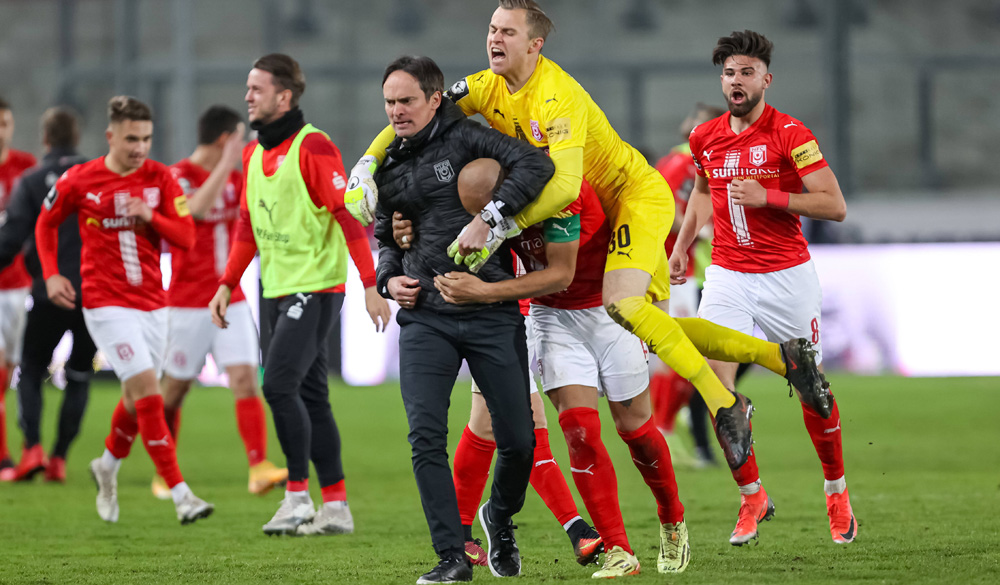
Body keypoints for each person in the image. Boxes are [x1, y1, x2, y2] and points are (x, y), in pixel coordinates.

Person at [346, 0, 830, 473]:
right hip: (584, 213)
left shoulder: (557, 96)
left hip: (630, 198)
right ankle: (780, 356)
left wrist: (494, 220)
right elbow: (421, 111)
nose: (494, 38)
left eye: (508, 32)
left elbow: (563, 185)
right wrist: (368, 164)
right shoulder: (482, 86)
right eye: (492, 29)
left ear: (535, 45)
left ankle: (724, 403)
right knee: (642, 322)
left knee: (625, 307)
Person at [420, 161, 692, 576]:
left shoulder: (564, 193)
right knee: (575, 429)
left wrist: (650, 298)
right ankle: (617, 548)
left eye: (486, 210)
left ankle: (672, 518)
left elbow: (561, 274)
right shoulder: (484, 201)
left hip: (607, 307)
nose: (482, 219)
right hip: (546, 317)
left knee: (637, 431)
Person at [373, 55, 554, 583]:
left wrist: (490, 217)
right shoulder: (390, 165)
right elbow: (386, 237)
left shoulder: (471, 138)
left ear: (435, 99)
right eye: (389, 102)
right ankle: (452, 556)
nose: (396, 112)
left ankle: (498, 515)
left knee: (519, 442)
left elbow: (538, 166)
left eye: (406, 100)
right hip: (424, 316)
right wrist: (390, 280)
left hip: (491, 310)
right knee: (425, 436)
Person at [670, 30, 855, 546]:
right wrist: (683, 246)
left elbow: (834, 206)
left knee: (813, 391)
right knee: (715, 388)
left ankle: (836, 491)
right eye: (729, 73)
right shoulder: (706, 136)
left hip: (786, 278)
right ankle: (752, 497)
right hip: (728, 276)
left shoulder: (791, 134)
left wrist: (770, 197)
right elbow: (704, 190)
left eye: (746, 72)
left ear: (765, 79)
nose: (736, 81)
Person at [208, 53, 390, 536]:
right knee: (311, 396)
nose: (247, 96)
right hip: (275, 288)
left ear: (284, 97)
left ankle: (296, 497)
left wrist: (370, 285)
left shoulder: (314, 148)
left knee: (278, 385)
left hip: (317, 286)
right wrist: (227, 283)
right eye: (248, 88)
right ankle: (336, 507)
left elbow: (349, 217)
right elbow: (248, 226)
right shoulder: (252, 155)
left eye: (257, 88)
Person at [397, 161, 603, 569]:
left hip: (528, 305)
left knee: (487, 424)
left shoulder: (548, 189)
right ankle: (573, 526)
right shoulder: (463, 186)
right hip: (495, 312)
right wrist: (400, 235)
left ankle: (475, 524)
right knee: (520, 422)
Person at [35, 95, 213, 524]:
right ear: (110, 136)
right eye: (132, 139)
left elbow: (187, 237)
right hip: (105, 303)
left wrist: (150, 215)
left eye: (147, 138)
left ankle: (107, 467)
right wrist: (51, 273)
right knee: (149, 393)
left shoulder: (161, 179)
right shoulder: (80, 179)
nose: (140, 148)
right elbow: (46, 223)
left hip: (153, 303)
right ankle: (181, 494)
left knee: (136, 398)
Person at [150, 105, 287, 500]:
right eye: (239, 139)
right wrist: (227, 164)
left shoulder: (237, 177)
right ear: (226, 140)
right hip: (186, 302)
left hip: (232, 298)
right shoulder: (176, 177)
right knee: (174, 391)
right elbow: (194, 212)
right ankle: (166, 473)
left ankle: (259, 467)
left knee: (246, 381)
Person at [0, 107, 93, 483]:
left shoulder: (33, 180)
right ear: (78, 137)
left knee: (32, 370)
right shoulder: (97, 176)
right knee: (80, 376)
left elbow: (10, 240)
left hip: (49, 290)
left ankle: (33, 448)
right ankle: (59, 459)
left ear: (45, 139)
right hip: (93, 295)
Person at [650, 103, 726, 468]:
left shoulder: (683, 161)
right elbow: (663, 208)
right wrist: (698, 229)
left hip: (683, 270)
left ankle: (668, 423)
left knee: (684, 358)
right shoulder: (684, 163)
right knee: (682, 358)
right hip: (673, 271)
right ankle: (662, 428)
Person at [0, 97, 37, 477]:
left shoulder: (26, 168)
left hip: (21, 284)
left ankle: (25, 449)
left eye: (5, 123)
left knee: (16, 369)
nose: (1, 131)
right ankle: (3, 455)